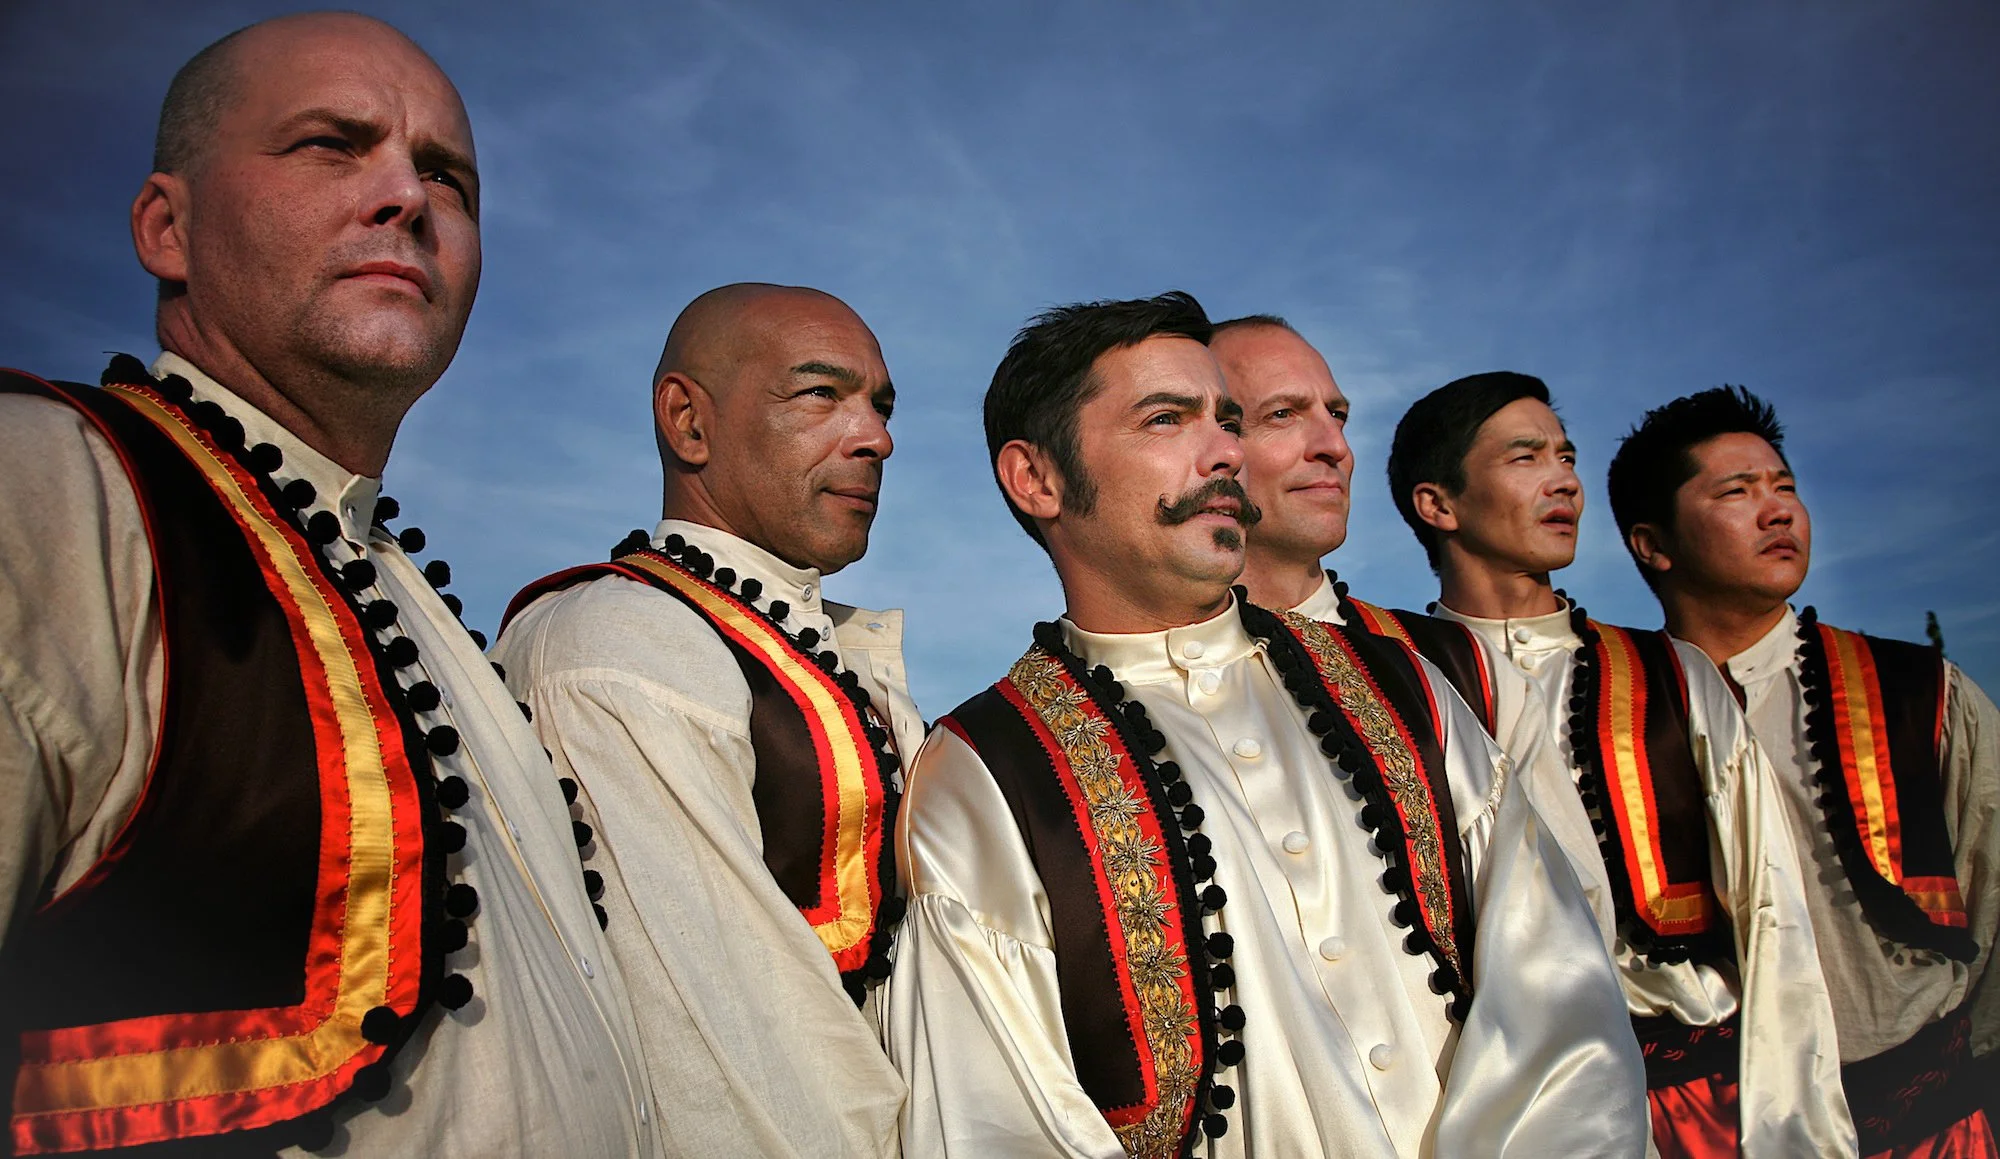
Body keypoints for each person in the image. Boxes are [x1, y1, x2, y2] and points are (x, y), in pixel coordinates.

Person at [0, 14, 656, 1156]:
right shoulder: (55, 490)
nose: (407, 195)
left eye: (446, 173)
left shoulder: (417, 606)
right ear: (168, 227)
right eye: (329, 145)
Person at [885, 291, 1645, 1158]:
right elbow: (996, 1115)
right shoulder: (988, 770)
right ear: (1038, 478)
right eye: (1167, 419)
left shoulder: (1401, 682)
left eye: (1230, 420)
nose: (1224, 454)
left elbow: (1563, 1006)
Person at [493, 284, 921, 1157]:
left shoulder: (822, 649)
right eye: (819, 394)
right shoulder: (624, 643)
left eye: (879, 405)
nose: (876, 437)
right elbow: (724, 1051)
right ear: (689, 423)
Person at [1385, 371, 1853, 1157]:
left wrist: (1795, 1131)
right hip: (1503, 1115)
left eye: (1565, 456)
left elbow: (1774, 917)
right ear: (1438, 504)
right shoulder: (1396, 680)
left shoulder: (1673, 674)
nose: (1564, 479)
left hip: (1699, 1101)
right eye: (1525, 457)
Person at [1608, 386, 1999, 1157]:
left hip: (1930, 1119)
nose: (1778, 510)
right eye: (1737, 492)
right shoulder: (1611, 715)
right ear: (1652, 544)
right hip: (1724, 1129)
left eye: (1784, 487)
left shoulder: (1916, 691)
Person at [1216, 315, 1496, 732]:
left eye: (1337, 415)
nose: (1336, 447)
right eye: (1282, 414)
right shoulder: (1115, 677)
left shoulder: (1473, 671)